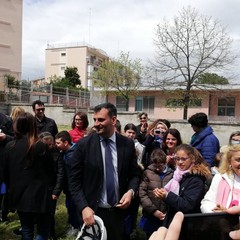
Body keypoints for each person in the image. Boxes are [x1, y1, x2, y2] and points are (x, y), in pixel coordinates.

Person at [68, 103, 140, 240]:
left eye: (101, 120)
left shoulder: (127, 144)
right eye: (95, 119)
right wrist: (83, 207)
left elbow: (135, 175)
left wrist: (130, 192)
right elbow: (73, 181)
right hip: (92, 212)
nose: (96, 124)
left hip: (119, 212)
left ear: (113, 120)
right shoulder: (84, 145)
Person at [3, 112, 56, 240]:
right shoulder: (40, 145)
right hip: (40, 195)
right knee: (42, 230)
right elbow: (51, 171)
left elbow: (6, 173)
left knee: (26, 229)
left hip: (20, 196)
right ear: (33, 126)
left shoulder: (10, 146)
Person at [153, 144, 211, 227]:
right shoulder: (177, 175)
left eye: (184, 159)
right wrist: (162, 195)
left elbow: (187, 205)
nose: (180, 162)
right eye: (177, 159)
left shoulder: (196, 179)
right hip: (173, 219)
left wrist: (167, 196)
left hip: (187, 224)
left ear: (192, 159)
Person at [139, 149, 173, 239]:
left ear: (165, 162)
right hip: (151, 214)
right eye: (155, 165)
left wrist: (167, 211)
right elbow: (142, 194)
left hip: (166, 214)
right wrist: (154, 211)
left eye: (160, 166)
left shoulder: (171, 174)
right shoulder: (147, 173)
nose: (157, 169)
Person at [39, 131, 64, 240]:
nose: (48, 147)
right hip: (39, 188)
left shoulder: (57, 155)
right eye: (45, 145)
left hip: (51, 188)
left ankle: (51, 232)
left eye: (50, 145)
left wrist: (56, 191)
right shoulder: (37, 154)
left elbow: (60, 174)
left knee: (50, 213)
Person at [201, 144, 240, 213]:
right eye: (238, 160)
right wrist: (218, 212)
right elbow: (206, 203)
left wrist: (231, 213)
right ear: (229, 161)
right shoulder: (219, 178)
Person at [55, 130, 80, 237]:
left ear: (66, 143)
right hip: (69, 189)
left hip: (73, 189)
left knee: (74, 208)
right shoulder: (65, 153)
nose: (56, 146)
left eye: (58, 143)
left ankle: (76, 227)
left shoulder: (72, 156)